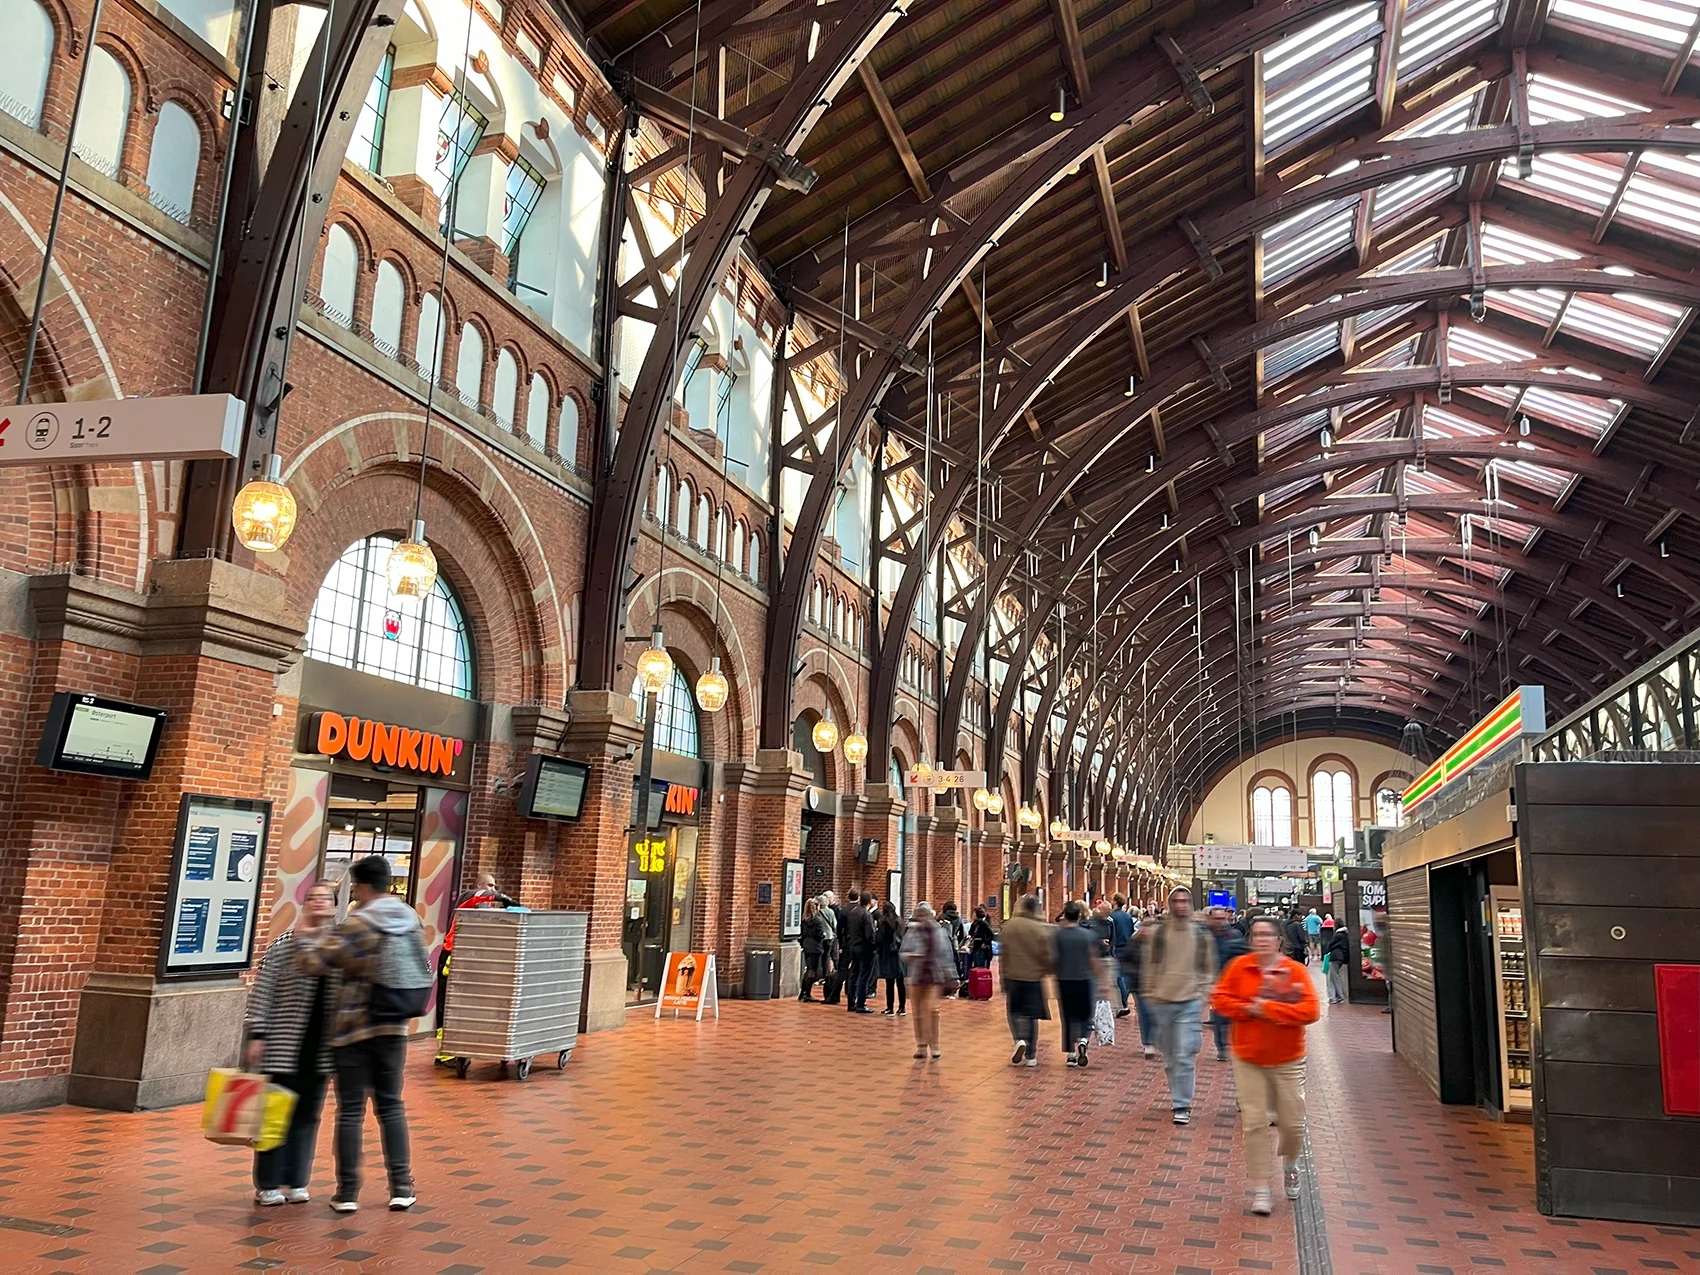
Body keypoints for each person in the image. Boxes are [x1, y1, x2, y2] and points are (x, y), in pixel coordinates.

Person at [295, 854, 431, 1213]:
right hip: (394, 1027)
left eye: (355, 885)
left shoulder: (359, 923)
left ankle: (348, 1192)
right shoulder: (411, 920)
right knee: (391, 1105)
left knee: (351, 1110)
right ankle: (401, 1186)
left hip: (353, 1029)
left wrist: (305, 936)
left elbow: (314, 963)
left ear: (364, 886)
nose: (353, 891)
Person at [1211, 915, 1322, 1215]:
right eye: (1256, 934)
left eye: (1267, 935)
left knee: (1293, 1123)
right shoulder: (1239, 968)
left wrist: (1269, 1009)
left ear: (1278, 941)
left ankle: (1289, 1164)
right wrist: (1248, 1008)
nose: (1261, 940)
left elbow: (1311, 1010)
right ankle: (1261, 1188)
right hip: (1248, 1057)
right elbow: (1219, 999)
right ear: (1251, 940)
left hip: (1288, 1058)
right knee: (1255, 1123)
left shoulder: (1293, 971)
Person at [244, 881, 340, 1206]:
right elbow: (263, 991)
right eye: (313, 898)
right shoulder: (285, 944)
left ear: (334, 907)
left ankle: (297, 1180)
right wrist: (257, 1033)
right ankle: (268, 1183)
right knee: (275, 1114)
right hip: (284, 1044)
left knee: (308, 1116)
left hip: (321, 1049)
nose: (319, 903)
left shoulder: (340, 948)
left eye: (325, 899)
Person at [1138, 886, 1217, 1124]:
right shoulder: (1159, 934)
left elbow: (1208, 967)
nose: (1181, 905)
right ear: (1170, 903)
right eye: (1176, 901)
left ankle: (1182, 1104)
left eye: (1185, 900)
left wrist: (1202, 993)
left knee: (1184, 1053)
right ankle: (1177, 1092)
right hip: (1162, 1001)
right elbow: (1149, 965)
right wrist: (1150, 992)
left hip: (1189, 1001)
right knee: (1171, 1056)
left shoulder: (1200, 934)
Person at [1000, 893, 1052, 1066]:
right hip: (1034, 977)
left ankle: (1019, 1039)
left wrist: (1003, 975)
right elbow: (1046, 954)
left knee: (1014, 1011)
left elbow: (1004, 953)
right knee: (1031, 1015)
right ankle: (1031, 1055)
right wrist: (1047, 970)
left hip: (1013, 975)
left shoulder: (1010, 926)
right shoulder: (1040, 928)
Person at [899, 903, 955, 1059]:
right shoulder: (912, 932)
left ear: (930, 915)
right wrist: (910, 956)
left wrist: (951, 975)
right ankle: (921, 1046)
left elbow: (946, 955)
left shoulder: (939, 932)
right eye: (919, 915)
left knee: (932, 1010)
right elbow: (903, 952)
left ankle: (935, 1045)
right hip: (916, 977)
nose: (922, 918)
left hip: (933, 977)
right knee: (918, 1013)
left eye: (925, 915)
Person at [1053, 900, 1098, 1068]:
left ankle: (1071, 1054)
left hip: (1064, 980)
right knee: (1085, 1016)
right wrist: (1102, 980)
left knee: (1068, 1017)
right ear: (1079, 915)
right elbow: (1093, 959)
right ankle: (1083, 1040)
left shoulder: (1058, 935)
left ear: (1065, 915)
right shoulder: (1088, 936)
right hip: (1084, 980)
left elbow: (1053, 958)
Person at [1205, 906, 1250, 1061]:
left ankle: (1233, 1043)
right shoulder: (1205, 936)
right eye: (1216, 919)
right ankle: (1222, 1047)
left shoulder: (1234, 934)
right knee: (1219, 1016)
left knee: (1232, 1015)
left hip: (1233, 980)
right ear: (1210, 919)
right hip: (1216, 980)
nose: (1220, 922)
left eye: (1222, 919)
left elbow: (1244, 954)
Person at [841, 891, 876, 1014]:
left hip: (853, 946)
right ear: (870, 902)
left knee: (853, 975)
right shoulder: (866, 915)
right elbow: (869, 934)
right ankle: (861, 1003)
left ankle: (851, 1003)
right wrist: (874, 945)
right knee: (864, 976)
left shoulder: (853, 912)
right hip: (864, 948)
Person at [875, 899, 908, 1015]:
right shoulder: (900, 921)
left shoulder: (883, 922)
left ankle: (890, 1008)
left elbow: (879, 939)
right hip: (900, 955)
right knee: (900, 982)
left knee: (890, 983)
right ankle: (902, 1007)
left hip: (888, 955)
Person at [1109, 896, 1136, 1016]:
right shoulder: (1128, 916)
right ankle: (1125, 999)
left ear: (1115, 902)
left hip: (1118, 948)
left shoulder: (1112, 917)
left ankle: (1123, 1002)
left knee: (1119, 977)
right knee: (1125, 975)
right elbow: (1131, 932)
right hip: (1129, 947)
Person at [799, 899, 828, 1002]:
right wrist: (823, 935)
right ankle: (807, 994)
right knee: (812, 971)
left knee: (808, 970)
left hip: (807, 946)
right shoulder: (817, 920)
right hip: (815, 947)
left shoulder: (804, 920)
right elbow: (819, 935)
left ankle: (803, 992)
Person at [1323, 920, 1351, 1005]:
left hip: (1335, 957)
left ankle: (1334, 998)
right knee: (1336, 977)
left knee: (1331, 978)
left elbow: (1330, 945)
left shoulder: (1337, 935)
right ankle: (1339, 996)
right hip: (1341, 958)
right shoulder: (1345, 935)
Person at [968, 906, 996, 970]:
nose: (973, 915)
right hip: (975, 946)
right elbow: (971, 932)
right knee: (976, 965)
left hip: (982, 947)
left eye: (974, 914)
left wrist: (985, 943)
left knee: (981, 965)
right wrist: (970, 936)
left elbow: (991, 934)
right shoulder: (974, 924)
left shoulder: (984, 923)